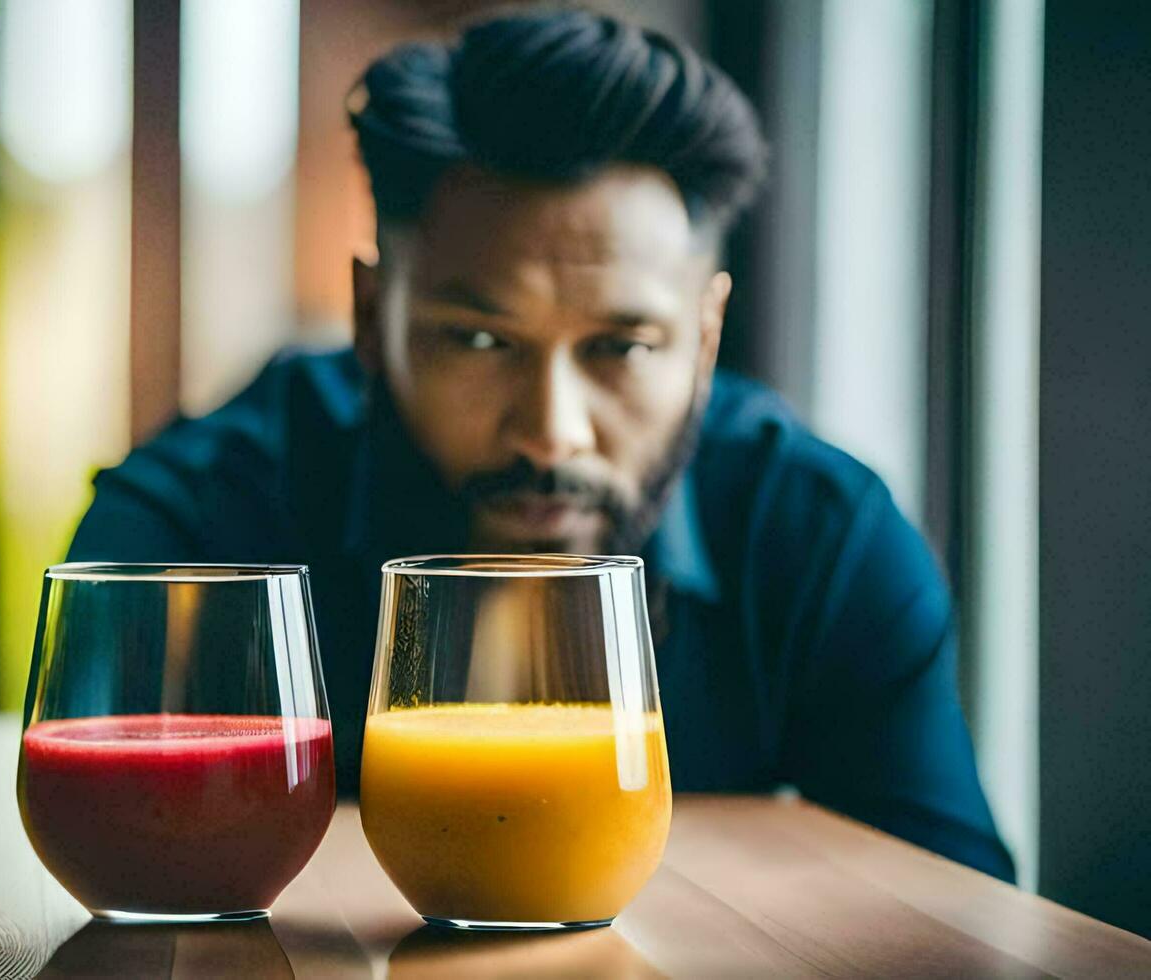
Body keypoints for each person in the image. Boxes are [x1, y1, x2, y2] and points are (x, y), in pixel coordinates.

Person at [69, 7, 1015, 881]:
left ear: (706, 338)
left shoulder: (819, 541)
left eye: (623, 347)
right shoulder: (200, 525)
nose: (550, 428)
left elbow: (958, 927)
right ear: (370, 316)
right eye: (480, 341)